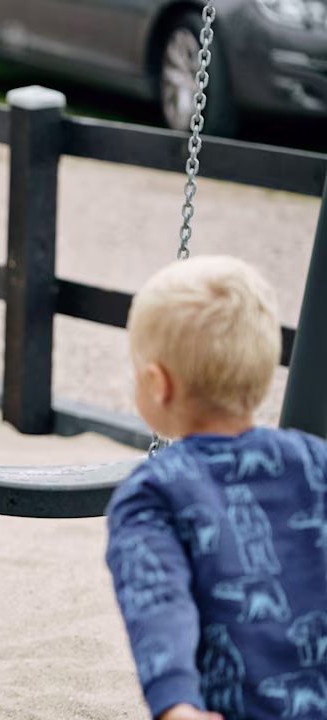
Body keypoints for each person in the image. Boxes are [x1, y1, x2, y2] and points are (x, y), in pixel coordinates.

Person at [106, 255, 327, 720]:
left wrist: (175, 704)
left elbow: (158, 600)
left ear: (156, 383)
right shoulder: (316, 460)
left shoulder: (152, 493)